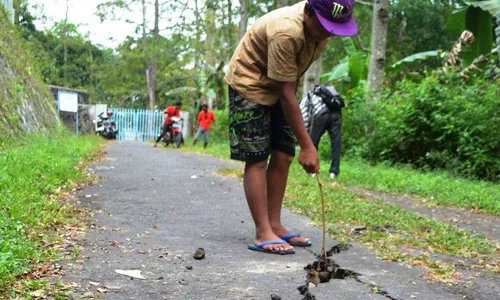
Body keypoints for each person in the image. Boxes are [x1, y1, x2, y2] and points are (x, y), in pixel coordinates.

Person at [225, 0, 357, 254]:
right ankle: (263, 230)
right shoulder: (286, 31)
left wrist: (301, 144)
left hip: (281, 87)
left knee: (284, 153)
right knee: (257, 157)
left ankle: (275, 223)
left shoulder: (320, 29)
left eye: (334, 28)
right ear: (308, 12)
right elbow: (287, 93)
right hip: (250, 83)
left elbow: (289, 84)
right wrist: (308, 146)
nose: (329, 33)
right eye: (325, 26)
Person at [300, 85, 345, 180]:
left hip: (321, 114)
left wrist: (306, 136)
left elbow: (304, 120)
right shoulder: (327, 93)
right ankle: (334, 172)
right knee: (336, 143)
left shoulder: (306, 99)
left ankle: (312, 170)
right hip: (337, 114)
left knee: (312, 143)